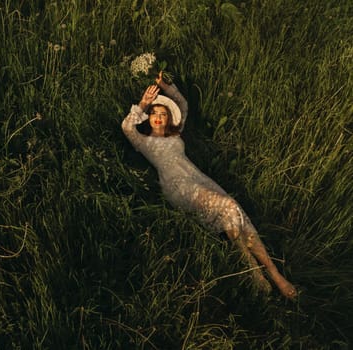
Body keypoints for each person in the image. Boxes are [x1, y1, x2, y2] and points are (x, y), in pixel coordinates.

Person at [122, 72, 297, 298]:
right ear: (148, 117)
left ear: (168, 119)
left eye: (162, 114)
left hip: (198, 178)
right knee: (230, 205)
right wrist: (144, 103)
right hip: (178, 186)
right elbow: (127, 127)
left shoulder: (175, 135)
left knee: (237, 214)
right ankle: (255, 270)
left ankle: (272, 273)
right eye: (153, 113)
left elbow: (182, 105)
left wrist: (165, 85)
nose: (157, 117)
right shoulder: (144, 143)